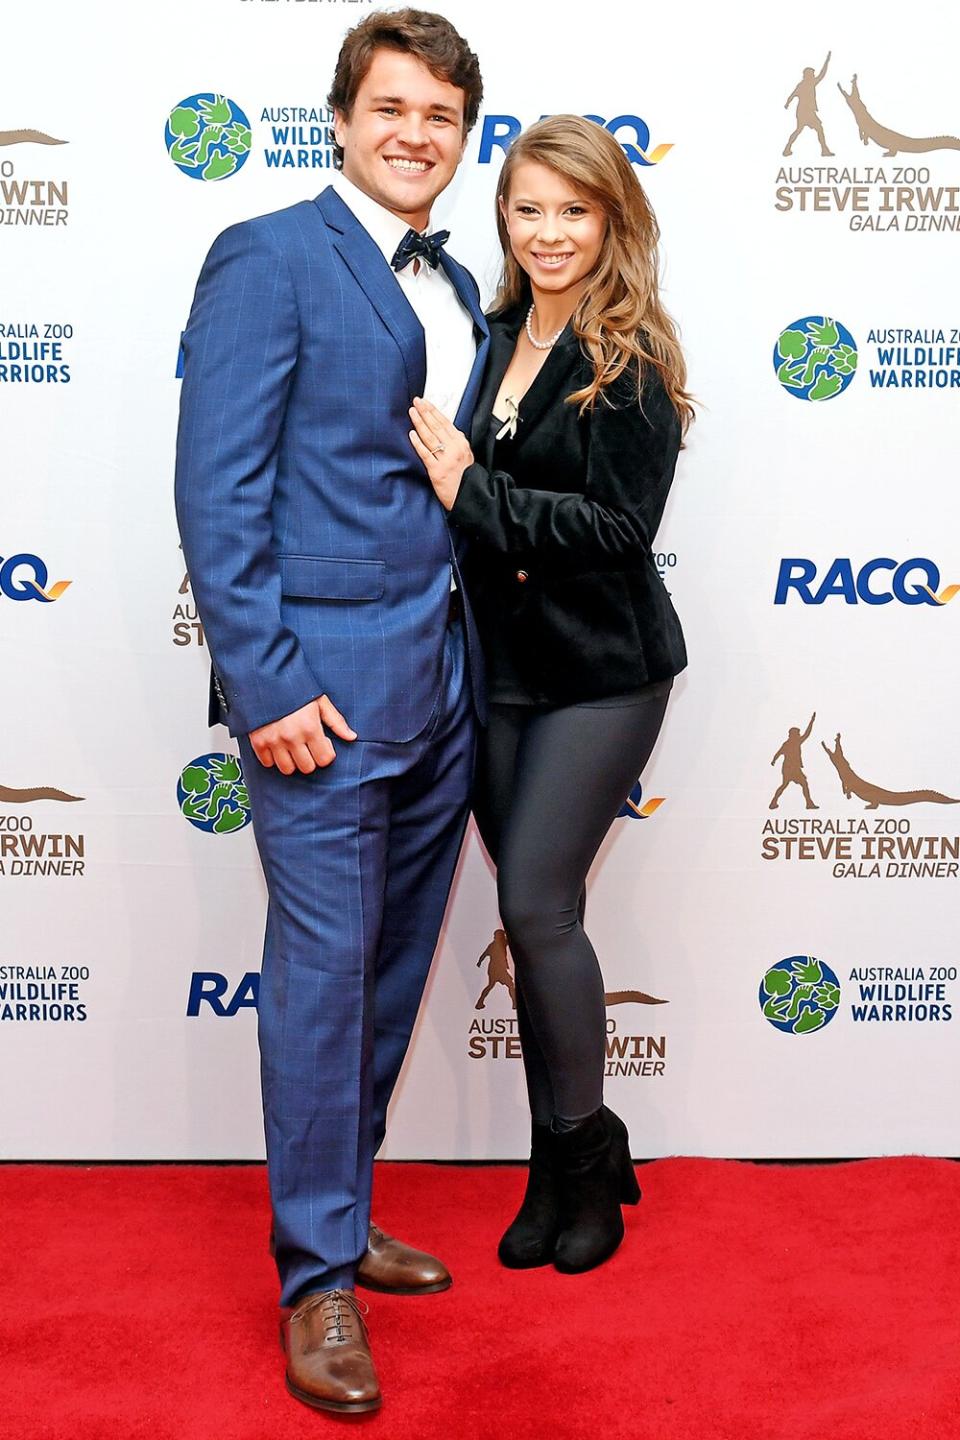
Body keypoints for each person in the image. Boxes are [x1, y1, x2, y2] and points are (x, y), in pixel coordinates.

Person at [175, 9, 486, 1416]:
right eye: (393, 107)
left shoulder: (463, 280)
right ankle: (316, 1286)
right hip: (319, 701)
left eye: (442, 115)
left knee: (387, 980)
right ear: (342, 119)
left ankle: (346, 1215)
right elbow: (218, 491)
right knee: (315, 987)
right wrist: (267, 684)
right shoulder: (270, 255)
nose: (416, 133)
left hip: (439, 688)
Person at [409, 114, 692, 1275]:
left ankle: (579, 1164)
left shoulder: (634, 359)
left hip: (601, 674)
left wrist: (475, 494)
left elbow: (619, 531)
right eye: (528, 208)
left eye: (573, 209)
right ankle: (564, 1155)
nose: (548, 232)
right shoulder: (493, 334)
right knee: (534, 926)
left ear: (613, 219)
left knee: (536, 907)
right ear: (505, 217)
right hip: (498, 671)